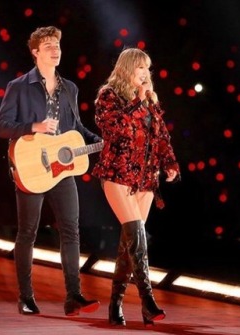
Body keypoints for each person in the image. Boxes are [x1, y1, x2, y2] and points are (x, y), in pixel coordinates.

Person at [0, 26, 102, 316]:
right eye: (48, 46)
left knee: (71, 230)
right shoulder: (18, 86)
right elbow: (2, 127)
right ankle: (26, 297)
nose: (55, 49)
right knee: (28, 232)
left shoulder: (70, 88)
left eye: (57, 45)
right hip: (31, 166)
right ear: (35, 53)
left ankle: (73, 296)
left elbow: (75, 128)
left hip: (62, 168)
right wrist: (34, 127)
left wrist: (99, 141)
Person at [91, 47, 181, 327]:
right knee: (136, 236)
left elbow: (161, 135)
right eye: (140, 67)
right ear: (127, 68)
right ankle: (148, 302)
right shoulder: (109, 96)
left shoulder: (150, 101)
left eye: (147, 68)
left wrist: (170, 163)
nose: (145, 73)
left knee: (130, 244)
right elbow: (114, 129)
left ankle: (116, 303)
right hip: (118, 175)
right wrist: (135, 102)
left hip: (145, 179)